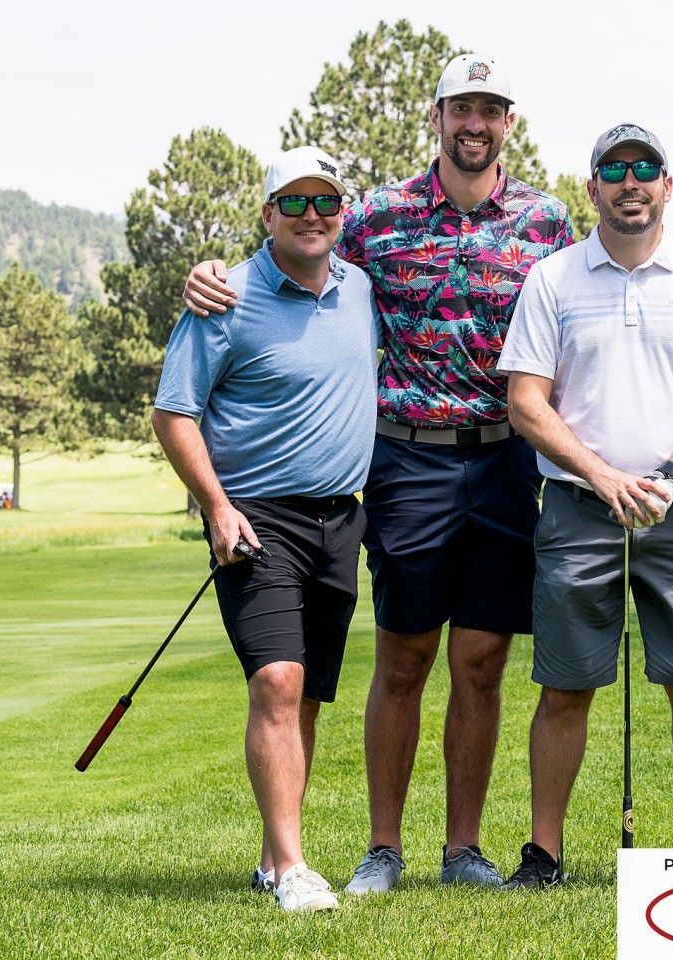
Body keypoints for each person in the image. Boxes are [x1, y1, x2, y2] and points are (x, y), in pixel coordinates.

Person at [181, 55, 574, 891]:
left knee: (481, 662)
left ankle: (462, 849)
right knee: (402, 660)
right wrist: (210, 273)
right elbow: (293, 255)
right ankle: (382, 849)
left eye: (489, 110)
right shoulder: (376, 215)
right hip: (406, 461)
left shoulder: (546, 221)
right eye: (459, 108)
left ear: (508, 122)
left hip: (506, 458)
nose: (474, 123)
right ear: (435, 117)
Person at [496, 124, 673, 887]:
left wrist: (669, 473)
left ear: (667, 186)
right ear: (592, 188)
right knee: (565, 685)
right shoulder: (553, 279)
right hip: (579, 507)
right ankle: (543, 853)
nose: (630, 181)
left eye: (646, 168)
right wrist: (604, 476)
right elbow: (525, 402)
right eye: (614, 169)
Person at [153, 145, 380, 909]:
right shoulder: (226, 297)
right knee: (276, 682)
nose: (311, 215)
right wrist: (218, 506)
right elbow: (173, 411)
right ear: (267, 214)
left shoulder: (360, 289)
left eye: (325, 202)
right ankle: (291, 869)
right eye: (294, 202)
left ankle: (267, 856)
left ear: (341, 213)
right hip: (256, 520)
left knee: (307, 693)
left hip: (339, 519)